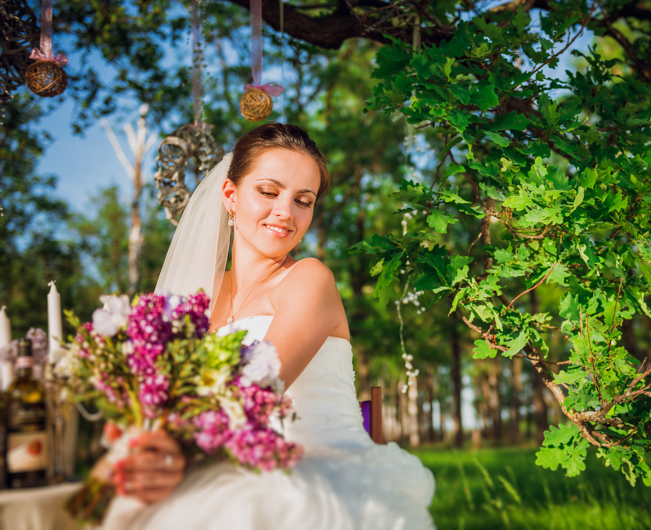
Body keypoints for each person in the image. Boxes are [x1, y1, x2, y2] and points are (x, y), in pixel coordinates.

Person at [99, 124, 436, 529]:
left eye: (303, 201)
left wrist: (172, 448)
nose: (286, 213)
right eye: (269, 192)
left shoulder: (309, 278)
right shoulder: (197, 296)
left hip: (313, 467)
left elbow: (254, 393)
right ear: (230, 196)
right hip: (216, 460)